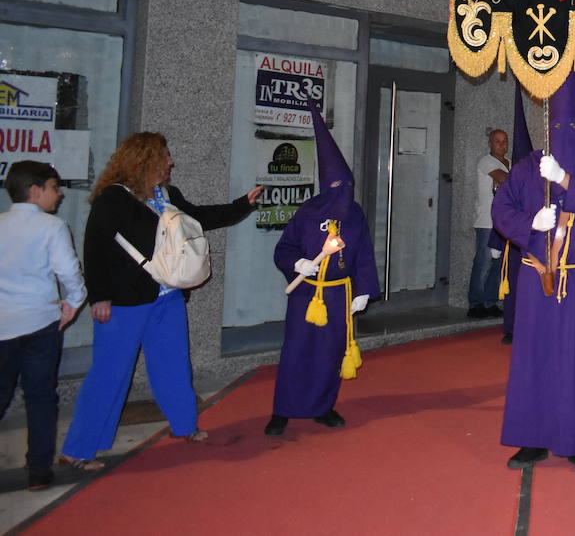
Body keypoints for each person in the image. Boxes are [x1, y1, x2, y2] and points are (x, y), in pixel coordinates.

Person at [60, 132, 262, 469]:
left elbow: (200, 218)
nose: (171, 162)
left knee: (173, 367)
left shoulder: (167, 195)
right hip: (123, 302)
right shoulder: (113, 199)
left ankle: (185, 426)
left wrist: (243, 204)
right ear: (144, 160)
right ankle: (78, 449)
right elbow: (94, 249)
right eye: (165, 156)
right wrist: (100, 297)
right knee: (110, 374)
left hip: (166, 299)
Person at [493, 70, 575, 473]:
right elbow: (501, 211)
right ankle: (531, 438)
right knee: (535, 359)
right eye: (557, 125)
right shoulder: (528, 167)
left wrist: (563, 179)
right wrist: (532, 224)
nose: (564, 132)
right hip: (536, 279)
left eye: (572, 126)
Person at [265, 109, 380, 436]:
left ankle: (322, 406)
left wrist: (362, 291)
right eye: (336, 185)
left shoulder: (355, 216)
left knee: (330, 352)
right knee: (297, 350)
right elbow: (284, 248)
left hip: (338, 293)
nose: (342, 191)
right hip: (306, 292)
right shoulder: (307, 211)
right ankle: (283, 409)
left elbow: (364, 255)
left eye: (347, 185)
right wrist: (298, 263)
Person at [1, 161, 86, 491]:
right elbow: (69, 273)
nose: (60, 193)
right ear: (34, 191)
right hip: (40, 323)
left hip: (3, 324)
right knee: (40, 397)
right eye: (54, 186)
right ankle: (38, 470)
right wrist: (74, 302)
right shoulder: (51, 227)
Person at [493, 85, 535, 342]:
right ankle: (511, 328)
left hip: (532, 245)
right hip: (513, 247)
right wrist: (495, 243)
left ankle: (529, 328)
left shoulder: (537, 185)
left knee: (529, 291)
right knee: (512, 290)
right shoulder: (509, 183)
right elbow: (502, 213)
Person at [468, 129, 511, 319]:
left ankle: (490, 301)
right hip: (486, 221)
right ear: (490, 144)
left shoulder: (510, 163)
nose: (501, 145)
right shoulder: (486, 161)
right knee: (483, 263)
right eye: (497, 141)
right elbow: (504, 179)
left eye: (504, 141)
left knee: (498, 264)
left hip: (503, 220)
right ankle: (475, 303)